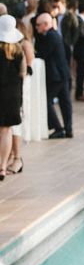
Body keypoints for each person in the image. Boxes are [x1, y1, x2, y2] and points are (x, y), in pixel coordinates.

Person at [35, 12, 74, 137]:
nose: (36, 27)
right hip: (62, 73)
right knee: (65, 102)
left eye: (38, 25)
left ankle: (59, 128)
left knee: (47, 101)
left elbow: (42, 53)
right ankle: (67, 129)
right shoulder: (54, 35)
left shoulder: (51, 36)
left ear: (46, 24)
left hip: (56, 75)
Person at [0, 15, 26, 178]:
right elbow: (23, 73)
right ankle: (2, 166)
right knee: (6, 130)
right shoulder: (18, 50)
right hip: (12, 94)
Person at [9, 18, 34, 174]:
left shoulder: (19, 49)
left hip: (13, 92)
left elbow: (25, 71)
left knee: (13, 125)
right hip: (11, 91)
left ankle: (17, 158)